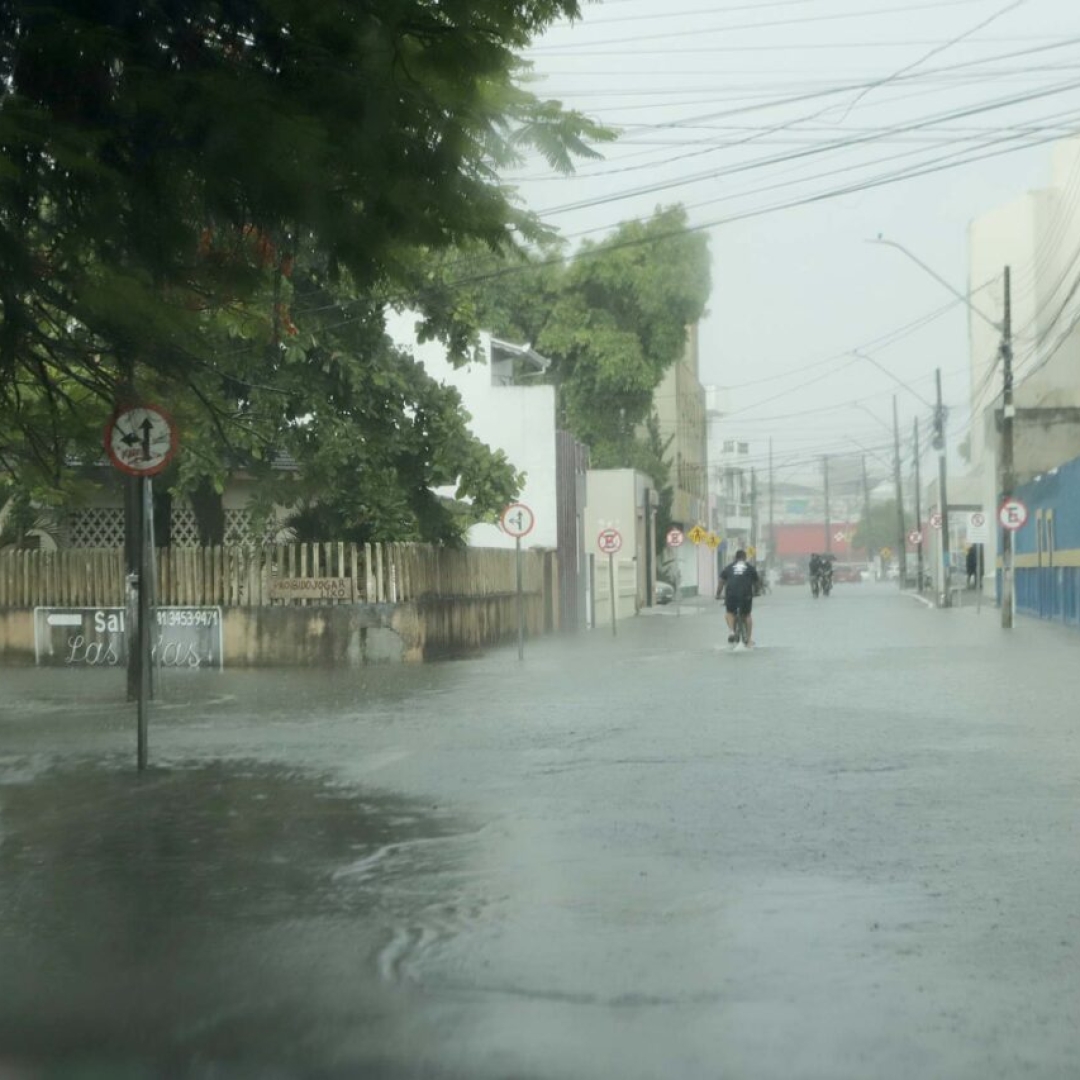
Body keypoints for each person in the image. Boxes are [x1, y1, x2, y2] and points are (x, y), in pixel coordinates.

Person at [716, 549, 761, 645]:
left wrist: (718, 594)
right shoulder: (750, 568)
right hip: (746, 594)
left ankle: (732, 631)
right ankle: (748, 640)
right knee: (747, 615)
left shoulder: (728, 568)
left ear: (735, 558)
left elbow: (721, 582)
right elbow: (757, 582)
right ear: (745, 558)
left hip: (731, 594)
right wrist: (757, 592)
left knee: (730, 613)